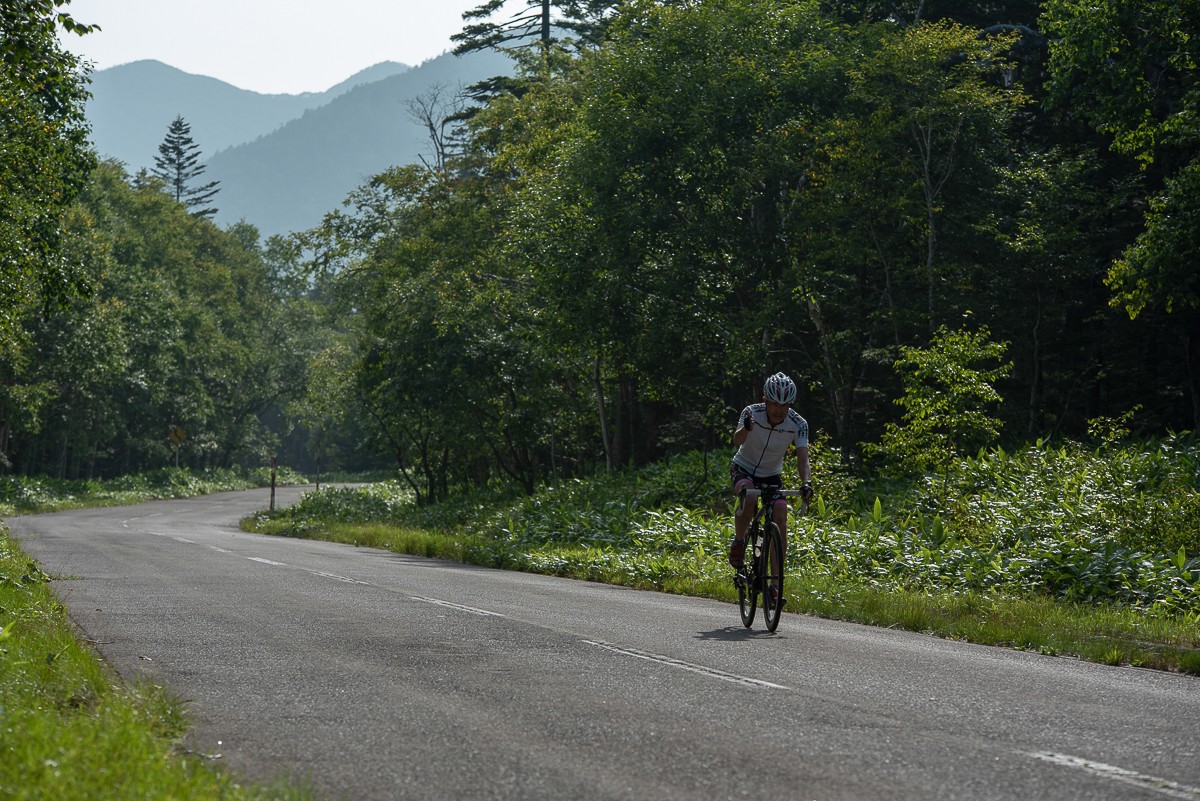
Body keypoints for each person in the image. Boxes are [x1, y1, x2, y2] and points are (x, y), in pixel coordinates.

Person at [728, 372, 813, 575]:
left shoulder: (798, 424)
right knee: (749, 498)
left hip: (771, 475)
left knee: (781, 517)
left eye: (785, 405)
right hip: (743, 467)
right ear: (765, 400)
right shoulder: (751, 413)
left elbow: (803, 459)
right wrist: (746, 428)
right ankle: (739, 542)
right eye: (774, 403)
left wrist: (806, 483)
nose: (779, 410)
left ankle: (775, 583)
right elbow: (737, 441)